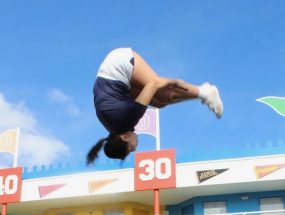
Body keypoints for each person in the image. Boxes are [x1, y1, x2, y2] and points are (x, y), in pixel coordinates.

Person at [87, 47, 223, 164]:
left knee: (163, 94)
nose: (135, 149)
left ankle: (205, 92)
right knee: (159, 103)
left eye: (130, 149)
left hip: (119, 62)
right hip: (116, 81)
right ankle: (203, 93)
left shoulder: (127, 119)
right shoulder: (114, 128)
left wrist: (176, 83)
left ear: (124, 137)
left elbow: (155, 83)